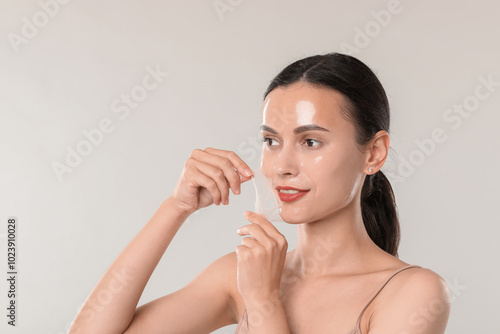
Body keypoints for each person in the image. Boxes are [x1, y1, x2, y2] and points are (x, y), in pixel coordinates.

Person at [69, 52, 451, 334]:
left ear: (374, 153)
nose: (282, 165)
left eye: (311, 142)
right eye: (271, 141)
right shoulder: (243, 274)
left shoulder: (413, 292)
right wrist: (176, 207)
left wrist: (265, 303)